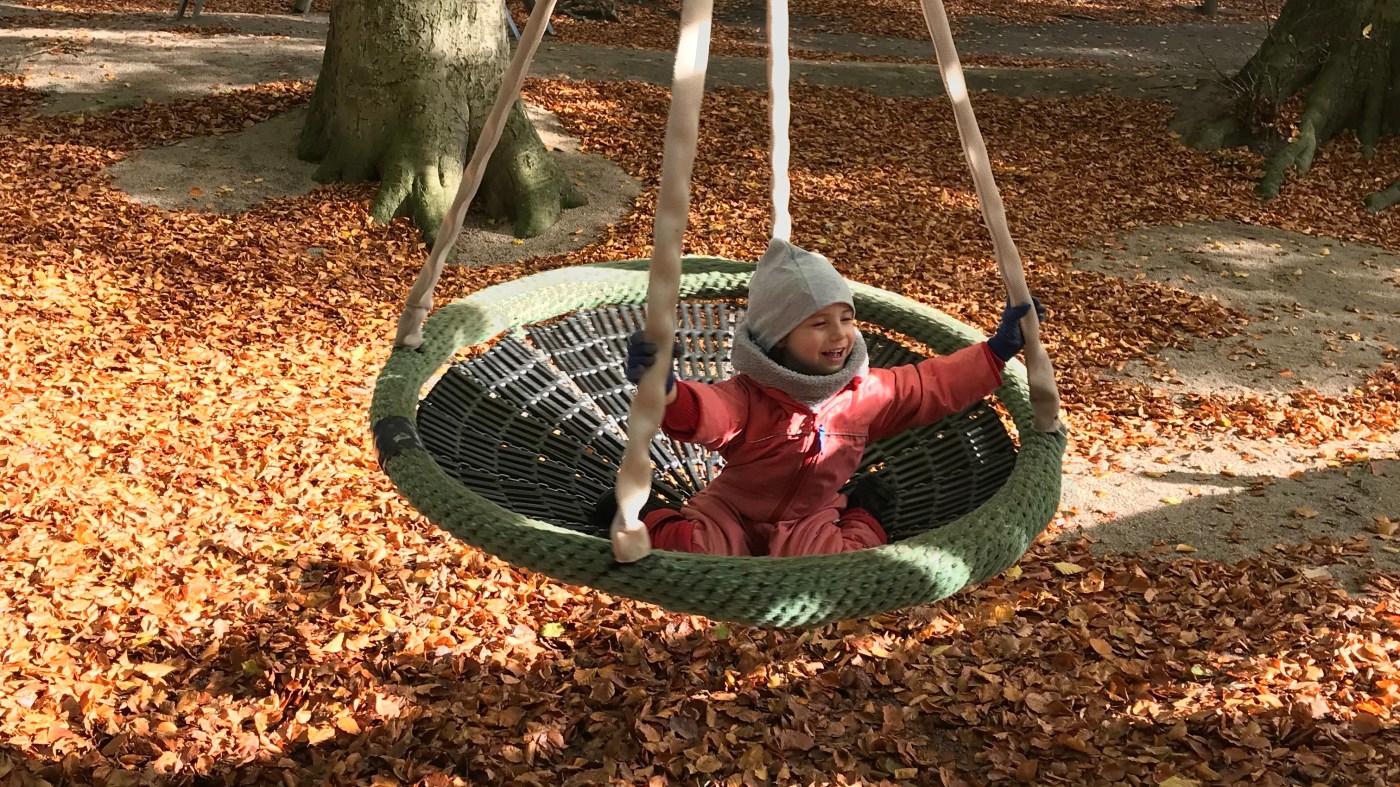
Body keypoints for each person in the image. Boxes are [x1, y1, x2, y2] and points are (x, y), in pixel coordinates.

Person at [594, 238, 1045, 557]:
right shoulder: (751, 397)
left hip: (811, 514)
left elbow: (933, 385)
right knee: (690, 551)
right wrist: (664, 389)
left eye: (846, 318)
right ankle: (651, 514)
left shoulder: (866, 392)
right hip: (733, 507)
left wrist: (996, 350)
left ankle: (866, 506)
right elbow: (710, 414)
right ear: (779, 339)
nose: (839, 335)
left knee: (843, 560)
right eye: (817, 324)